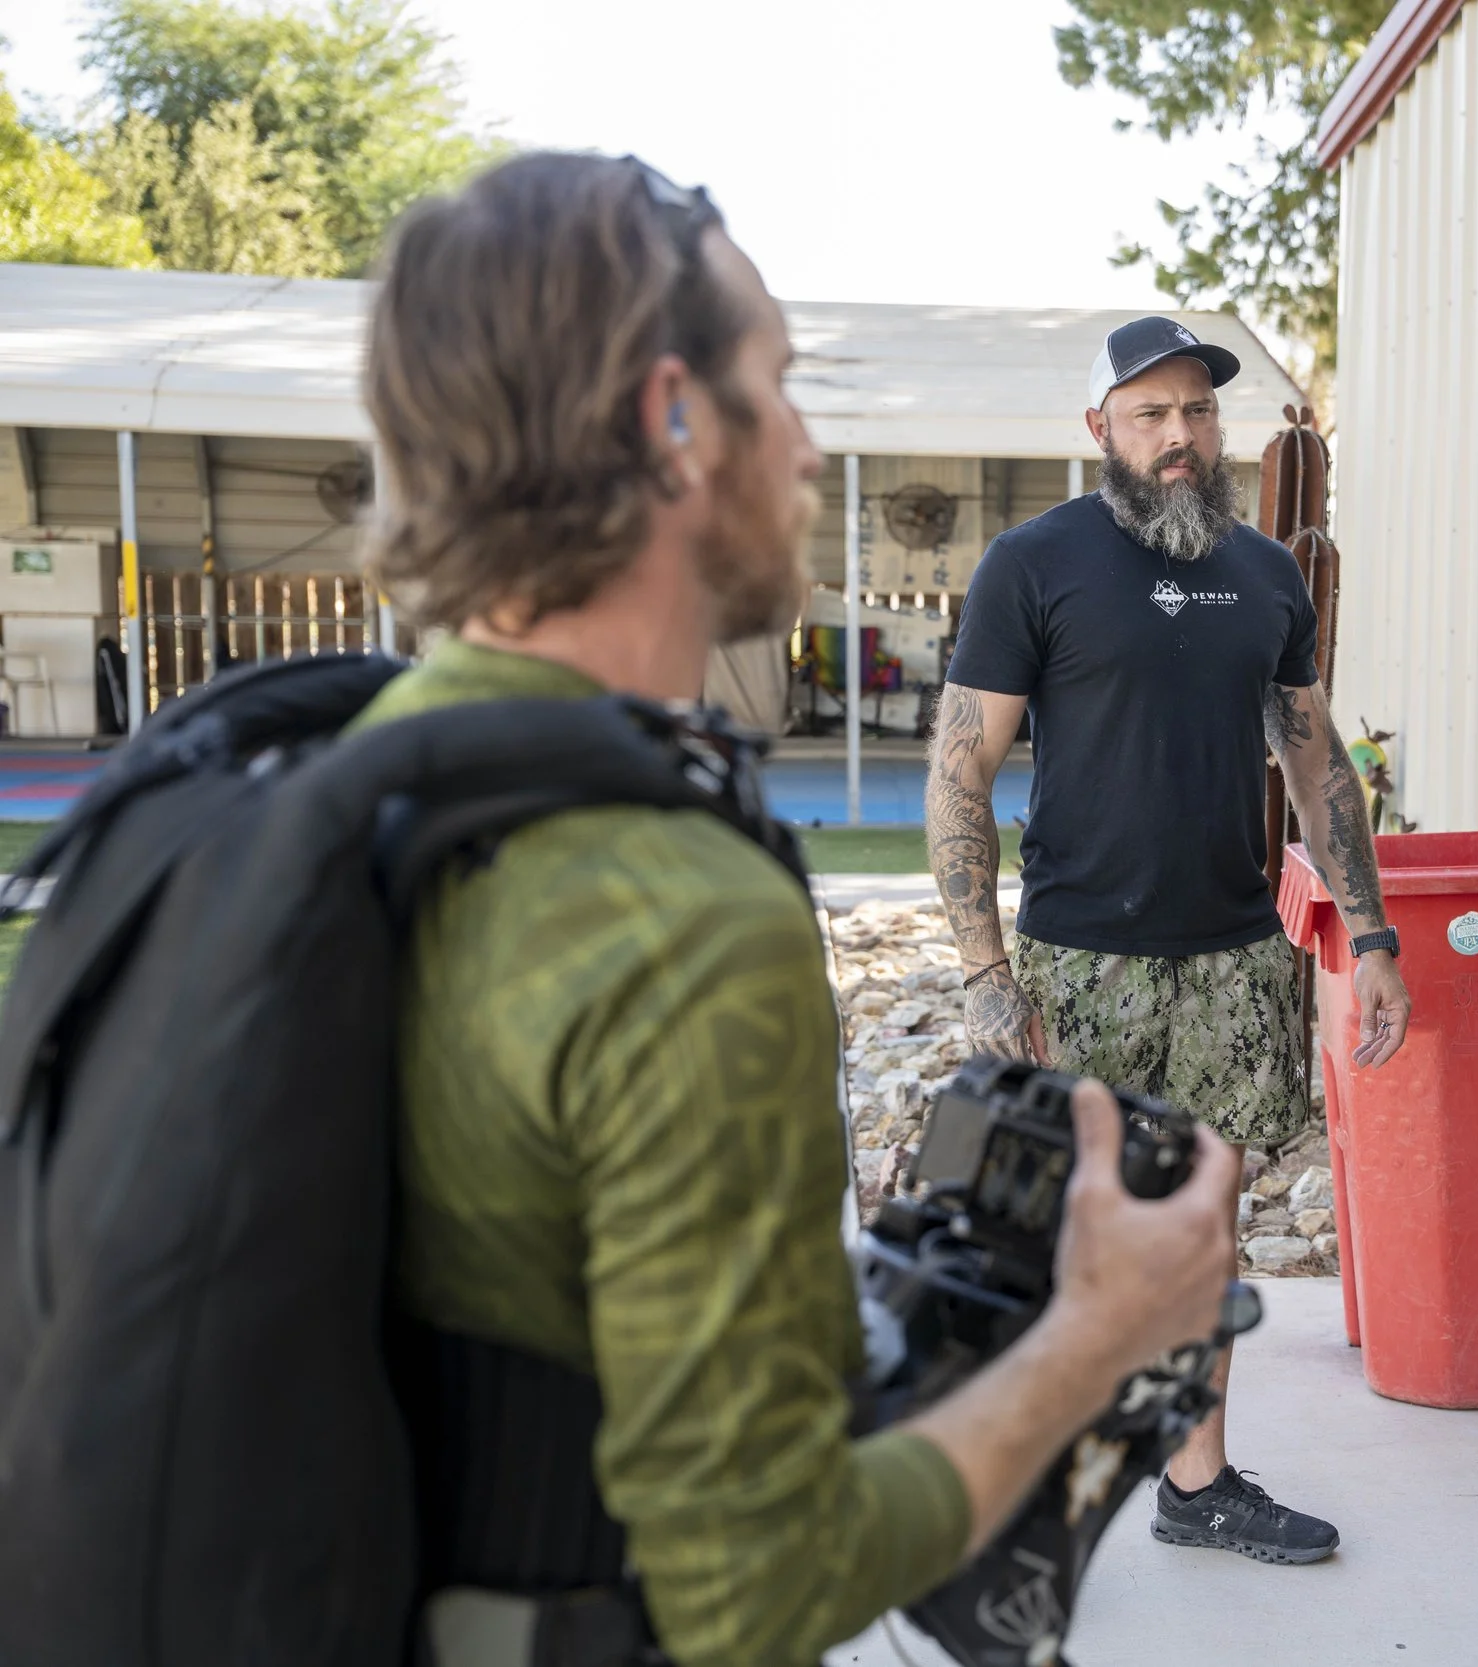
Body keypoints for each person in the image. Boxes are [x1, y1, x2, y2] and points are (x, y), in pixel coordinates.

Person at [357, 153, 1241, 1667]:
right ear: (673, 420)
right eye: (781, 384)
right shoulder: (676, 910)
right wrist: (1104, 1328)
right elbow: (756, 1583)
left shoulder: (372, 773)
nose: (813, 444)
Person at [926, 315, 1414, 1566]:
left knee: (1203, 1221)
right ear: (1100, 430)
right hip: (1084, 958)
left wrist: (1369, 933)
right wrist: (986, 973)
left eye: (1198, 409)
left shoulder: (1264, 573)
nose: (1182, 433)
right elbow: (958, 776)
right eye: (1151, 412)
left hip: (1234, 954)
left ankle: (1195, 1484)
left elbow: (1318, 772)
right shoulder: (1035, 565)